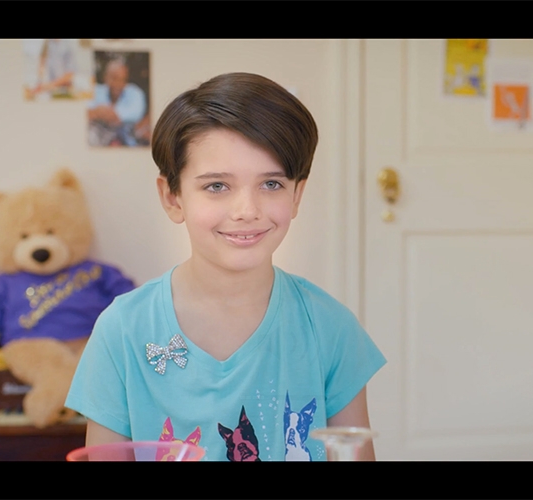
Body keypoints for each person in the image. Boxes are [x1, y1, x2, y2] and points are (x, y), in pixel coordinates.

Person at [66, 72, 387, 461]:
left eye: (271, 184)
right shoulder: (122, 331)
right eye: (217, 186)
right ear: (172, 197)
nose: (247, 211)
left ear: (297, 194)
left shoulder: (331, 330)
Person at [87, 56, 147, 147]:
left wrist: (99, 112)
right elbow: (83, 114)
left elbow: (135, 114)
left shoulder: (135, 93)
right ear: (105, 78)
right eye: (114, 78)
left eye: (123, 79)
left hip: (127, 144)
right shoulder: (95, 91)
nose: (118, 84)